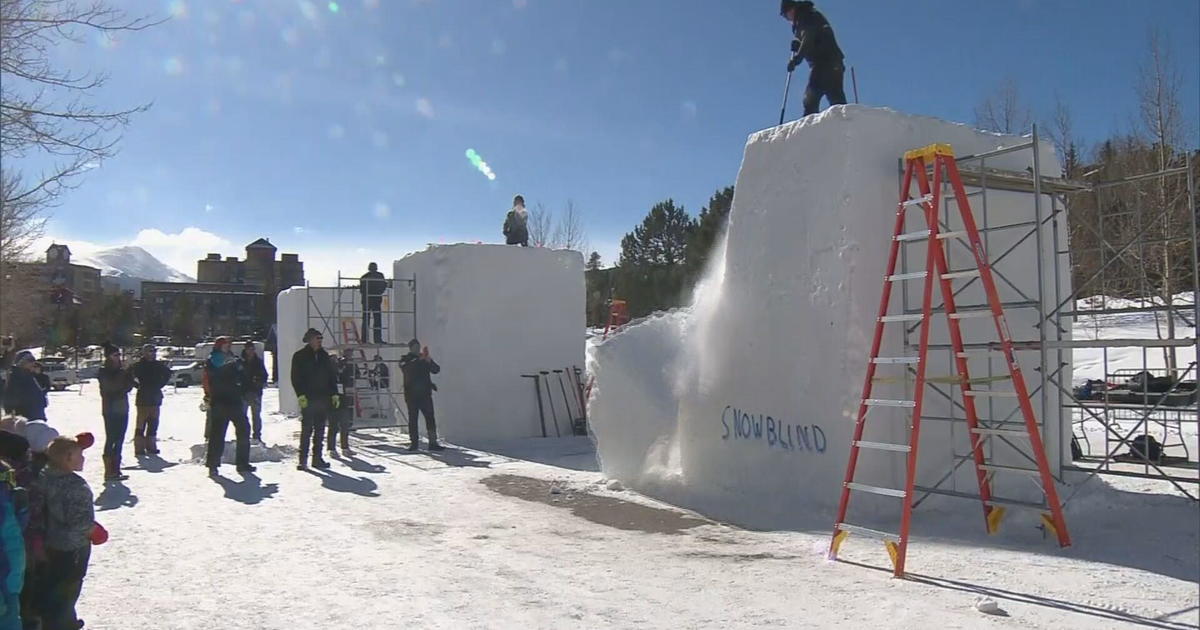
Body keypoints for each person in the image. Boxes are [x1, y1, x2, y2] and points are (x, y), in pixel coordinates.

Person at [36, 435, 105, 630]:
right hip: (73, 546)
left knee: (54, 583)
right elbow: (80, 521)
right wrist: (95, 531)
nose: (83, 459)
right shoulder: (76, 486)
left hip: (50, 542)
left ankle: (60, 619)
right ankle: (63, 623)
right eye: (79, 455)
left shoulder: (44, 476)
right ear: (67, 458)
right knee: (69, 586)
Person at [781, 0, 846, 117]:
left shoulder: (805, 17)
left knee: (811, 98)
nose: (787, 19)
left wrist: (796, 59)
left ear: (791, 10)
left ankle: (809, 128)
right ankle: (847, 125)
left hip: (823, 63)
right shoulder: (810, 15)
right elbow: (811, 37)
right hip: (835, 62)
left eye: (785, 15)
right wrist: (798, 44)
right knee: (836, 97)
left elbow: (808, 38)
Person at [202, 338, 254, 475]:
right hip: (219, 400)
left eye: (228, 344)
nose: (227, 346)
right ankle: (212, 464)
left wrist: (246, 389)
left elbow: (243, 376)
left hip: (234, 400)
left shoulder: (234, 360)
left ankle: (242, 463)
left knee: (244, 429)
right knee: (217, 434)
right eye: (225, 344)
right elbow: (210, 377)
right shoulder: (213, 360)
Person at [290, 329, 338, 470]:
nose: (320, 340)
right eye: (317, 338)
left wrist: (334, 393)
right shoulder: (299, 356)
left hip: (322, 398)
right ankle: (303, 460)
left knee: (320, 429)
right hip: (308, 398)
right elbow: (295, 377)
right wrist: (301, 395)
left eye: (321, 338)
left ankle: (317, 458)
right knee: (306, 429)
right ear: (310, 339)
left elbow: (331, 376)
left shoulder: (324, 356)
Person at [96, 344, 133, 482]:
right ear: (108, 357)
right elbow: (111, 388)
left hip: (122, 408)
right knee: (112, 438)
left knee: (120, 439)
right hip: (111, 409)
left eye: (119, 355)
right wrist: (124, 377)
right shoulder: (104, 371)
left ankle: (116, 469)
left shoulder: (121, 371)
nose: (118, 358)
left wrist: (128, 378)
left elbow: (128, 386)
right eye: (115, 355)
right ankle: (109, 470)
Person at [399, 339, 442, 451]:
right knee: (413, 420)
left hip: (425, 395)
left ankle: (433, 442)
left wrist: (429, 360)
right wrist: (419, 359)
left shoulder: (424, 359)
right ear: (410, 348)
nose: (417, 349)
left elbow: (436, 370)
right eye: (415, 347)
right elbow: (407, 369)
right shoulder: (406, 359)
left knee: (430, 418)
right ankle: (414, 443)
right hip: (411, 395)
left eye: (418, 347)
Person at [131, 344, 171, 457]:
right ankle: (139, 447)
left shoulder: (158, 365)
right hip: (143, 398)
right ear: (144, 353)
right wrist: (137, 385)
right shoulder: (138, 366)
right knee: (140, 425)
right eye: (149, 351)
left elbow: (168, 374)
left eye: (153, 351)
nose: (151, 353)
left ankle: (151, 446)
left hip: (155, 398)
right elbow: (129, 376)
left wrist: (160, 385)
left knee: (153, 424)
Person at [3, 353, 46, 421]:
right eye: (30, 361)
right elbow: (10, 398)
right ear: (22, 363)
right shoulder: (16, 377)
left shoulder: (30, 375)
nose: (33, 364)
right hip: (25, 418)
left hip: (37, 416)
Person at [327, 354, 354, 458]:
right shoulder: (327, 372)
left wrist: (344, 368)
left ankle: (345, 447)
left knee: (345, 425)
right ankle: (331, 448)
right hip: (332, 401)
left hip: (343, 400)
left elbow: (346, 381)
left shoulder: (340, 372)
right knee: (333, 426)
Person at [241, 344, 269, 443]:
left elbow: (265, 375)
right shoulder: (240, 362)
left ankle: (257, 435)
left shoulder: (258, 362)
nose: (251, 351)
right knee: (242, 416)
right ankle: (243, 435)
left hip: (255, 392)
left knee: (256, 415)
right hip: (243, 393)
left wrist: (258, 381)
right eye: (249, 349)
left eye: (252, 349)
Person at [359, 263, 388, 344]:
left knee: (369, 320)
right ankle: (375, 340)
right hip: (372, 300)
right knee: (374, 320)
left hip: (370, 301)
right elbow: (383, 286)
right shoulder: (378, 276)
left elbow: (361, 290)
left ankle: (366, 340)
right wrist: (377, 292)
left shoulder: (365, 276)